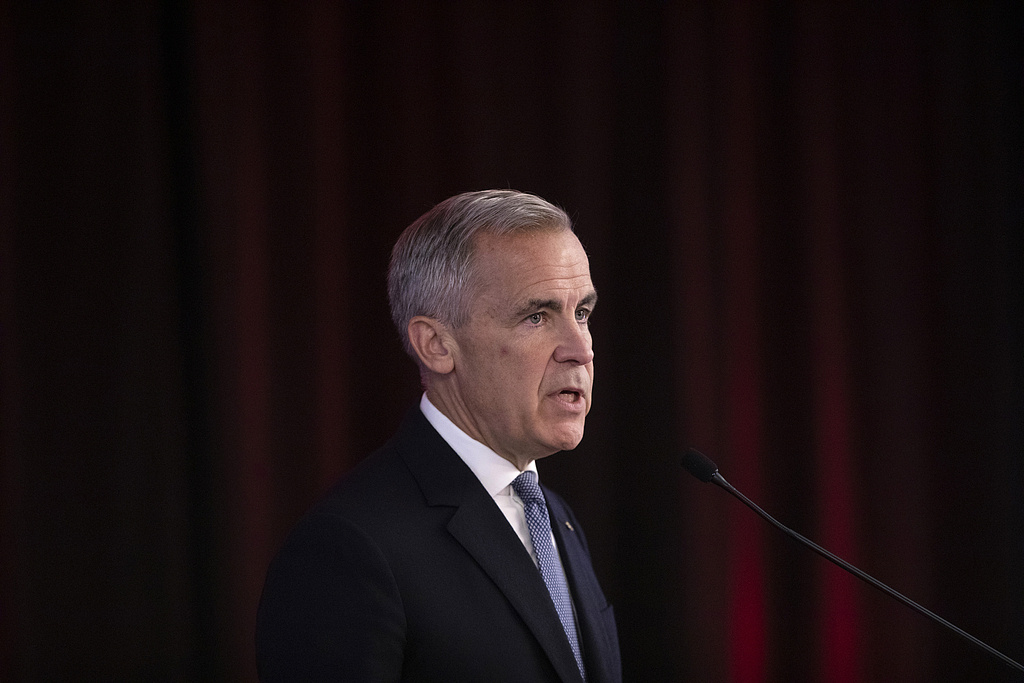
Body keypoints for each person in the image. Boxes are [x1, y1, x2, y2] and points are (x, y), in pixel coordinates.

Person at [255, 190, 621, 683]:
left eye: (582, 314)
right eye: (536, 316)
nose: (581, 350)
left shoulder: (556, 517)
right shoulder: (348, 549)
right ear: (436, 345)